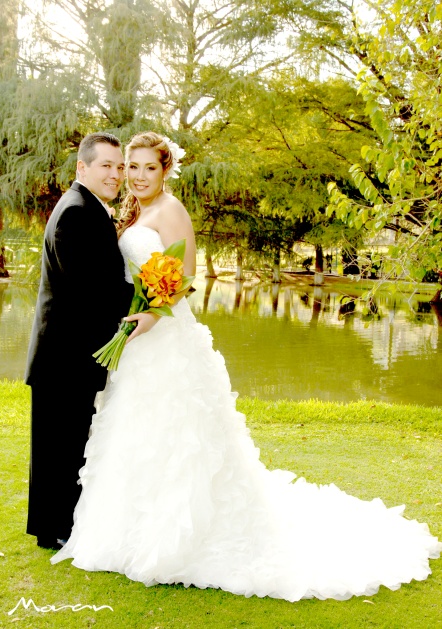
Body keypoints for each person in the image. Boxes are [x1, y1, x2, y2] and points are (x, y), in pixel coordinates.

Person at [51, 131, 441, 602]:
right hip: (138, 342)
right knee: (135, 429)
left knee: (179, 433)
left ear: (165, 170)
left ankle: (183, 537)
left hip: (165, 336)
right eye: (129, 167)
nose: (135, 176)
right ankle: (126, 525)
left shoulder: (171, 211)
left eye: (146, 168)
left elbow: (185, 275)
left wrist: (153, 312)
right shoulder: (132, 212)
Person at [25, 132, 133, 550]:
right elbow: (92, 289)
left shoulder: (87, 209)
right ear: (82, 168)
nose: (116, 173)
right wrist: (147, 297)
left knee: (64, 447)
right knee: (60, 449)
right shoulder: (76, 213)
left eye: (119, 166)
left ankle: (53, 528)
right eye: (107, 165)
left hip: (67, 355)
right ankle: (55, 530)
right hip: (63, 357)